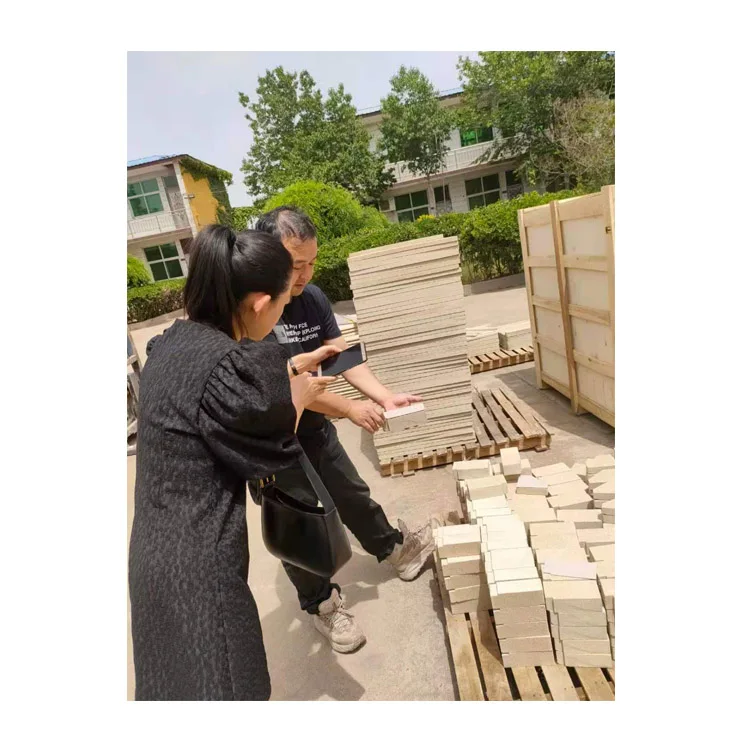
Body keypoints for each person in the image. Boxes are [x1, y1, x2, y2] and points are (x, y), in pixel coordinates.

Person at [128, 225, 338, 700]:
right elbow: (272, 445)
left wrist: (292, 371)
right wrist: (300, 398)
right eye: (283, 302)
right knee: (227, 687)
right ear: (260, 303)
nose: (282, 312)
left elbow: (215, 408)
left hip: (153, 554)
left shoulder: (172, 344)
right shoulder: (228, 366)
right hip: (199, 566)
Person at [252, 206, 435, 654]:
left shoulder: (311, 298)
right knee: (299, 522)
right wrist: (351, 408)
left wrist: (384, 396)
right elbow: (286, 385)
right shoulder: (255, 307)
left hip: (314, 426)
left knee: (349, 490)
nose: (305, 274)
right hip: (273, 437)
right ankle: (322, 604)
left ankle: (393, 548)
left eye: (312, 262)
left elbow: (340, 357)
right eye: (296, 265)